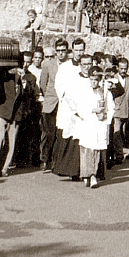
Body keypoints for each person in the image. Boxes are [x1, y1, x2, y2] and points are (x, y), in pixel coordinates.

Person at [74, 59, 116, 188]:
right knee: (87, 150)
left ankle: (92, 175)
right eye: (91, 79)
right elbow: (79, 108)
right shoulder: (84, 92)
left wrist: (106, 119)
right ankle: (87, 174)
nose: (93, 82)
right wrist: (93, 110)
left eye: (96, 80)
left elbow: (111, 108)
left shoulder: (105, 93)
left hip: (99, 125)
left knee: (96, 151)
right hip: (87, 124)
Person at [53, 40, 87, 179]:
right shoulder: (65, 67)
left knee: (80, 140)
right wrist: (69, 102)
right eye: (76, 50)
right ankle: (65, 169)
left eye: (81, 50)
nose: (79, 53)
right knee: (68, 139)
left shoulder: (86, 66)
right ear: (72, 51)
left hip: (83, 109)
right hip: (68, 108)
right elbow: (59, 86)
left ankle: (79, 171)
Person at [39, 39, 67, 171]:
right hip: (50, 103)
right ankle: (45, 159)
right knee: (49, 133)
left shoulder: (69, 65)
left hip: (64, 104)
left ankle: (56, 162)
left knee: (60, 134)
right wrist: (49, 96)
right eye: (59, 51)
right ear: (56, 52)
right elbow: (43, 84)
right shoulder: (48, 65)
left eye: (63, 51)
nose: (61, 53)